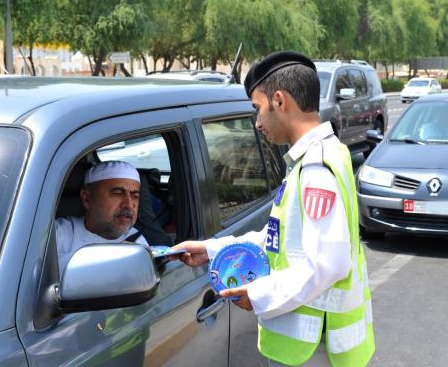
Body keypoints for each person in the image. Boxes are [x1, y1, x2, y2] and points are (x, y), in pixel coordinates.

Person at [173, 51, 375, 366]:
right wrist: (212, 249)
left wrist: (258, 294)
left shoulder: (315, 168)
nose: (257, 122)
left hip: (314, 351)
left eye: (258, 109)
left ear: (279, 101)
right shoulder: (324, 155)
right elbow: (279, 240)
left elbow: (328, 264)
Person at [55, 160, 148, 278]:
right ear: (87, 199)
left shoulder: (137, 242)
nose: (129, 204)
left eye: (135, 196)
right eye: (118, 193)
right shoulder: (59, 235)